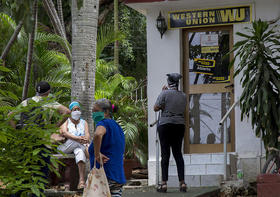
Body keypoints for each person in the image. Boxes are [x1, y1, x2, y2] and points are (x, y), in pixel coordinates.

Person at [9, 81, 70, 197]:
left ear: (36, 91)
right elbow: (67, 112)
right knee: (40, 176)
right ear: (49, 92)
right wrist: (54, 127)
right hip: (42, 144)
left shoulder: (26, 102)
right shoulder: (50, 102)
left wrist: (16, 132)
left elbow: (10, 115)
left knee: (22, 174)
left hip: (25, 143)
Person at [154, 73, 187, 193]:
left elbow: (156, 107)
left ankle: (164, 184)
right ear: (177, 83)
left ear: (169, 82)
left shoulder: (164, 93)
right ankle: (182, 183)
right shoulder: (183, 96)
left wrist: (162, 93)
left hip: (166, 125)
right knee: (178, 154)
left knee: (165, 154)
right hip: (179, 125)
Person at [88, 98, 126, 197]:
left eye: (96, 111)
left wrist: (96, 155)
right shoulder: (117, 126)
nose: (93, 114)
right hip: (117, 175)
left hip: (105, 175)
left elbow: (97, 134)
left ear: (106, 112)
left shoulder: (103, 123)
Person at [58, 101, 90, 190]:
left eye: (78, 109)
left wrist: (85, 139)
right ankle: (90, 154)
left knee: (80, 152)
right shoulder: (66, 120)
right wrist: (79, 139)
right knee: (77, 142)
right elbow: (64, 133)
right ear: (70, 111)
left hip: (79, 147)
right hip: (64, 147)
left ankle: (81, 181)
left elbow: (87, 134)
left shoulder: (84, 122)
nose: (77, 111)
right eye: (74, 109)